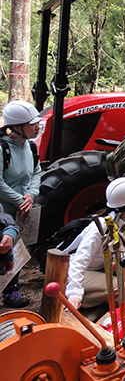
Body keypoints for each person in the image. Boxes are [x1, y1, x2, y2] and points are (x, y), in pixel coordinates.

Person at [65, 177, 125, 310]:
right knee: (119, 286)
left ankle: (107, 290)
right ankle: (82, 301)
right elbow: (81, 259)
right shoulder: (100, 227)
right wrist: (74, 293)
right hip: (79, 271)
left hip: (101, 265)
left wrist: (118, 262)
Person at [0, 100, 41, 308]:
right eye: (32, 123)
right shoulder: (3, 148)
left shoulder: (31, 148)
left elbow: (36, 173)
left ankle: (11, 291)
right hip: (4, 210)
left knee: (18, 250)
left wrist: (31, 195)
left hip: (23, 208)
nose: (37, 126)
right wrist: (19, 201)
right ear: (16, 127)